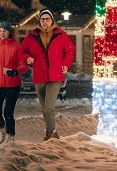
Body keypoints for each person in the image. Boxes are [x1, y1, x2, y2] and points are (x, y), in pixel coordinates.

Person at [21, 8, 76, 141]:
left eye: (47, 19)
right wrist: (27, 58)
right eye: (42, 19)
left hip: (55, 75)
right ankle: (53, 132)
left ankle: (50, 134)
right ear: (39, 20)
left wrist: (66, 64)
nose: (45, 21)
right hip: (39, 76)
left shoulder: (60, 35)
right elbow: (21, 51)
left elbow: (70, 51)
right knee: (44, 108)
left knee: (49, 108)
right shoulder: (32, 36)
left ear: (52, 20)